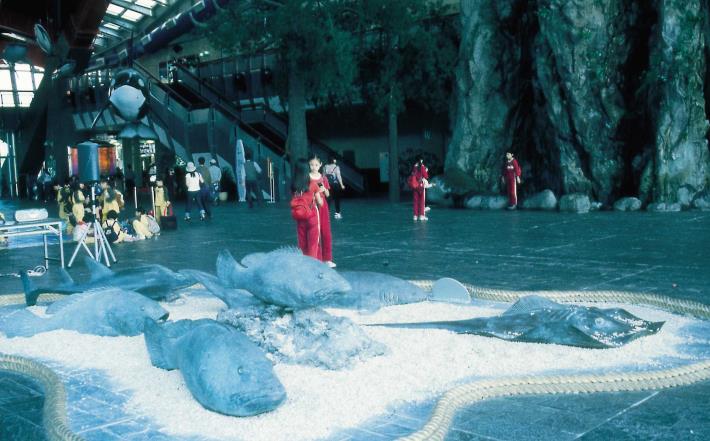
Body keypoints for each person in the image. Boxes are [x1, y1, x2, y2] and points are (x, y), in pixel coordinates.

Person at [308, 154, 336, 268]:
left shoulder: (323, 178)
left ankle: (327, 259)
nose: (314, 167)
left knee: (326, 231)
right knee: (315, 232)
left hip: (323, 206)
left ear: (320, 165)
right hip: (311, 206)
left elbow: (328, 194)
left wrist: (324, 189)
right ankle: (317, 258)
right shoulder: (307, 178)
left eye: (316, 165)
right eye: (311, 165)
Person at [292, 160, 321, 259]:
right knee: (313, 245)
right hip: (312, 216)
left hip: (300, 216)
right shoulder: (313, 184)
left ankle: (304, 263)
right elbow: (320, 202)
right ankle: (312, 265)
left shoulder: (294, 185)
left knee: (302, 244)